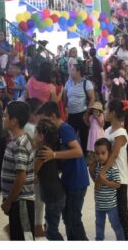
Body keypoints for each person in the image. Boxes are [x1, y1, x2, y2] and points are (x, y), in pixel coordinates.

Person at [35, 101, 89, 240]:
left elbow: (78, 151)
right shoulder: (56, 132)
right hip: (68, 179)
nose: (44, 126)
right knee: (69, 220)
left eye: (45, 120)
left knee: (73, 220)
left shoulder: (64, 128)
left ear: (53, 116)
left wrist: (53, 155)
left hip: (76, 180)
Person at [1, 101, 36, 240]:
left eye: (5, 116)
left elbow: (21, 177)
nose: (2, 118)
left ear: (14, 121)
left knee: (24, 238)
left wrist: (8, 202)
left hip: (21, 202)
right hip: (17, 201)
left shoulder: (19, 144)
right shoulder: (17, 141)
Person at [98, 98, 128, 240]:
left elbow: (114, 154)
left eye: (106, 109)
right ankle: (121, 237)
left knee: (122, 210)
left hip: (119, 177)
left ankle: (127, 239)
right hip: (109, 176)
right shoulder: (107, 130)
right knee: (114, 210)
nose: (104, 112)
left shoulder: (121, 133)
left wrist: (102, 173)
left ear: (112, 113)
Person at [34, 119, 65, 241]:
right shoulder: (50, 149)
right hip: (55, 195)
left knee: (51, 232)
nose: (34, 135)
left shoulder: (43, 152)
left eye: (35, 133)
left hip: (54, 197)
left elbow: (33, 172)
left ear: (41, 136)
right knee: (51, 228)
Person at [90, 138, 125, 241]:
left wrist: (105, 182)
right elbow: (96, 183)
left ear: (109, 153)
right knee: (99, 225)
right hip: (99, 205)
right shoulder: (96, 167)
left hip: (111, 206)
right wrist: (92, 172)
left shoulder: (112, 168)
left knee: (116, 225)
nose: (100, 156)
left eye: (103, 153)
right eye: (97, 153)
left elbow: (118, 184)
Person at [64, 64, 95, 154]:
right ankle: (72, 153)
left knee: (84, 135)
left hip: (82, 114)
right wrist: (66, 110)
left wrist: (87, 113)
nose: (70, 72)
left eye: (73, 70)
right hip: (71, 114)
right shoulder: (68, 83)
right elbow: (65, 99)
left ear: (78, 72)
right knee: (71, 136)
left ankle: (84, 155)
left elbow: (92, 98)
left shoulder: (86, 83)